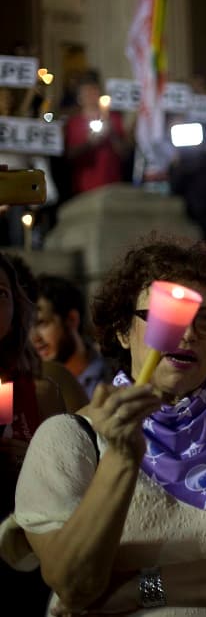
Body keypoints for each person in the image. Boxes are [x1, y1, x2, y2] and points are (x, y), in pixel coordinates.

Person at [11, 237, 206, 615]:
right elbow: (75, 584)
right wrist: (121, 461)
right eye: (166, 316)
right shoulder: (67, 439)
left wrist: (143, 588)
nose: (188, 333)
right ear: (124, 330)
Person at [0, 255, 87, 613]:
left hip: (27, 568)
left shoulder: (42, 393)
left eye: (0, 293)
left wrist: (32, 464)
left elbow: (74, 492)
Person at [32, 275, 108, 399]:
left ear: (72, 319)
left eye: (42, 323)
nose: (34, 338)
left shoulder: (115, 374)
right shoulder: (35, 387)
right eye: (27, 327)